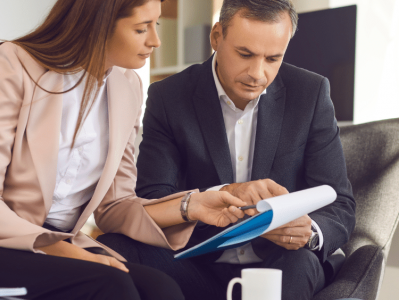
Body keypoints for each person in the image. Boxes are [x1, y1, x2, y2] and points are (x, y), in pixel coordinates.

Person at [0, 1, 252, 299]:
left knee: (162, 289)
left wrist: (192, 206)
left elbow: (115, 207)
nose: (156, 41)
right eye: (142, 28)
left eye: (156, 24)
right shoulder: (15, 65)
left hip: (53, 245)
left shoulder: (126, 87)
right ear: (99, 25)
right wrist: (62, 249)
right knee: (109, 285)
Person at [97, 0, 356, 299]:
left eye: (273, 58)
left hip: (282, 263)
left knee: (298, 264)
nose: (257, 73)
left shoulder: (310, 94)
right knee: (117, 246)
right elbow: (153, 198)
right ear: (216, 36)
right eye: (245, 54)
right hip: (198, 262)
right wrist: (224, 193)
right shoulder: (168, 97)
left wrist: (310, 232)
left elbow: (341, 203)